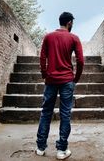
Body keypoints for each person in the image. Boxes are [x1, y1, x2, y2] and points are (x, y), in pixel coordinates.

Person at [35, 12, 84, 160]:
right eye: (72, 23)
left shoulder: (48, 37)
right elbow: (80, 61)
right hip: (67, 80)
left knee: (46, 113)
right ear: (69, 22)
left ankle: (40, 148)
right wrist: (75, 78)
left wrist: (45, 74)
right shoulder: (74, 38)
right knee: (65, 114)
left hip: (51, 80)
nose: (72, 25)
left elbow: (42, 57)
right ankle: (61, 150)